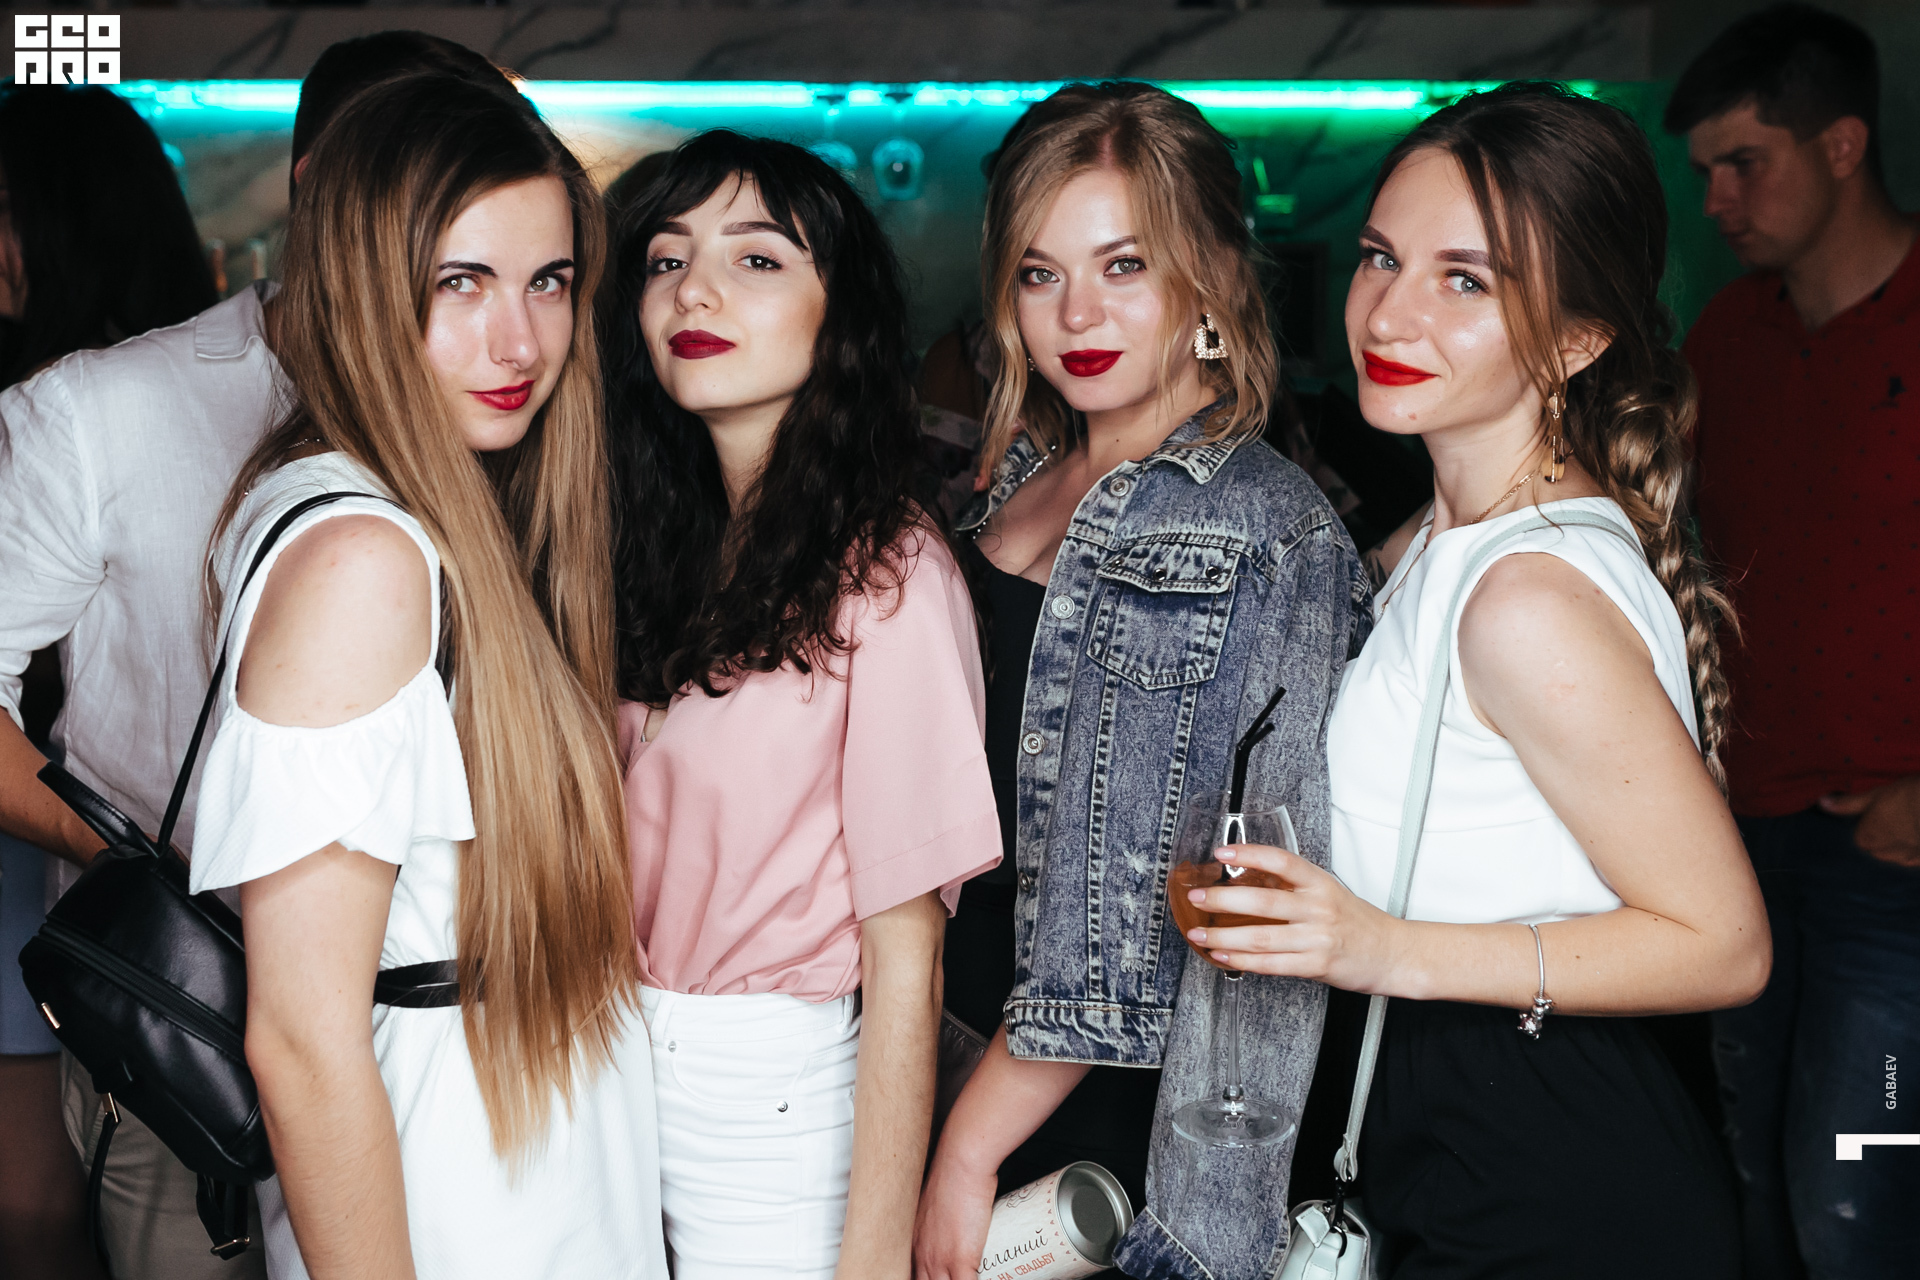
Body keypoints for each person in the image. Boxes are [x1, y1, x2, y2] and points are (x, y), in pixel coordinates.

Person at [1196, 82, 1769, 1278]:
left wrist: (1378, 946)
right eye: (1381, 257)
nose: (1390, 311)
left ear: (1577, 338)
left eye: (1466, 280)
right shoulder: (1437, 541)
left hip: (1548, 1157)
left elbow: (1725, 943)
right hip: (1450, 1127)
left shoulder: (1525, 597)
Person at [0, 32, 531, 1280]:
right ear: (323, 188)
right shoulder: (103, 409)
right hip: (200, 1028)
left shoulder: (520, 404)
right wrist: (151, 860)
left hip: (455, 1037)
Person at [188, 72, 666, 1280]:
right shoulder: (363, 558)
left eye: (548, 281)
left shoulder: (412, 509)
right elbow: (301, 1042)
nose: (521, 343)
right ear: (363, 285)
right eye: (461, 282)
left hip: (522, 1175)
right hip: (452, 1201)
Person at [913, 81, 1369, 1280]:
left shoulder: (1259, 530)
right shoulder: (1019, 477)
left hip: (1101, 1115)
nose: (1077, 313)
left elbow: (1151, 916)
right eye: (1040, 272)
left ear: (1210, 273)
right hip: (951, 1040)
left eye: (1124, 265)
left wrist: (965, 1150)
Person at [604, 130, 1000, 1280]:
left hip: (770, 1111)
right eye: (666, 259)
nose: (696, 290)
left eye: (757, 258)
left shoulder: (891, 576)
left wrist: (870, 1259)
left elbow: (908, 962)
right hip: (612, 1075)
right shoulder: (653, 545)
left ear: (842, 317)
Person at [1665, 7, 1920, 1276]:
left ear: (1843, 145)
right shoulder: (1728, 336)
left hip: (1894, 850)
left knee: (1858, 1189)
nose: (1717, 198)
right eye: (1706, 170)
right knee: (1751, 1177)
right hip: (1741, 835)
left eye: (1743, 163)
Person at [0, 79, 218, 1280]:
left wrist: (128, 859)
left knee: (46, 1196)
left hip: (86, 856)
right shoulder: (91, 397)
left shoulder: (90, 406)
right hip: (90, 856)